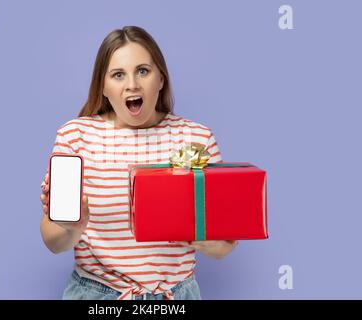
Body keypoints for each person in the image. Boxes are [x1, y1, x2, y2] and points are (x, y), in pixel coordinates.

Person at [40, 26, 238, 300]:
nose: (132, 84)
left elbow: (226, 244)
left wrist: (203, 239)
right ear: (104, 87)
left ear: (161, 80)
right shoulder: (75, 136)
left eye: (143, 71)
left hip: (175, 296)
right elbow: (52, 241)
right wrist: (69, 228)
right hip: (97, 295)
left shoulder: (197, 137)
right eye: (118, 75)